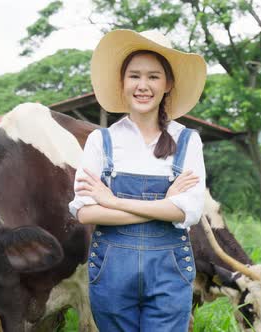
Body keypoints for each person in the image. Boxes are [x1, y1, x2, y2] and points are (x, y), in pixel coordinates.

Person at [68, 29, 207, 331]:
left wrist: (113, 201)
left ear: (168, 84)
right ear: (122, 82)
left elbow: (189, 211)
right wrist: (165, 204)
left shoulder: (187, 141)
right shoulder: (99, 141)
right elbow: (85, 212)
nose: (143, 86)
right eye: (135, 76)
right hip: (112, 273)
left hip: (169, 272)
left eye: (154, 77)